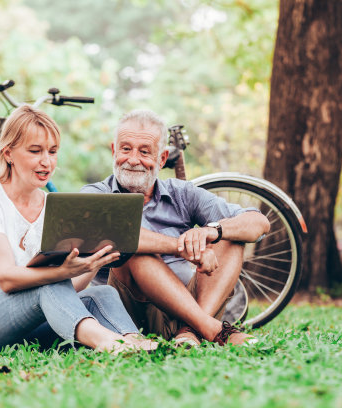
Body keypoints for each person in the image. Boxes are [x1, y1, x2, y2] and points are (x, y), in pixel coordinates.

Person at [0, 105, 154, 354]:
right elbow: (6, 278)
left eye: (53, 151)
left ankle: (134, 343)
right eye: (35, 151)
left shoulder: (50, 207)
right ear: (8, 153)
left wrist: (94, 262)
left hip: (16, 327)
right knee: (47, 282)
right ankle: (105, 342)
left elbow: (66, 290)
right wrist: (61, 273)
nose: (46, 162)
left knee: (102, 294)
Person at [81, 109, 270, 346]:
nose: (132, 159)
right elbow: (117, 234)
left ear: (162, 159)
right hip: (129, 317)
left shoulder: (182, 193)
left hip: (190, 309)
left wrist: (212, 231)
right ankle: (211, 330)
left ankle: (190, 330)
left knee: (230, 235)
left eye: (144, 152)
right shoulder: (95, 195)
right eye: (125, 149)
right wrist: (180, 247)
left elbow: (259, 222)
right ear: (113, 151)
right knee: (130, 246)